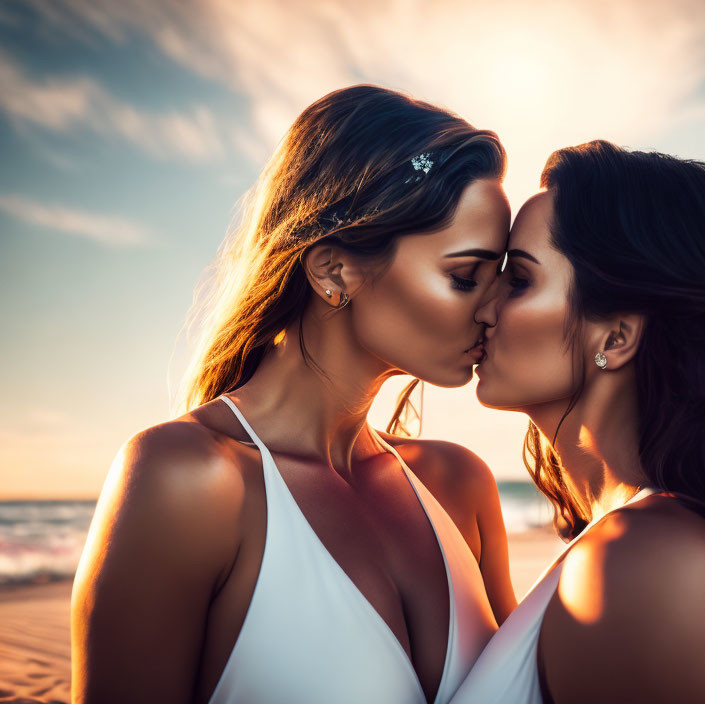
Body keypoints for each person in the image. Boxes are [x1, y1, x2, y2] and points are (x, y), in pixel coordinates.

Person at [71, 85, 517, 704]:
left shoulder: (458, 485)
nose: (496, 309)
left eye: (502, 280)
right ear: (334, 270)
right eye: (465, 277)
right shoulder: (189, 482)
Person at [452, 140, 705, 703]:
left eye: (520, 281)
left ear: (617, 337)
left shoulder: (640, 562)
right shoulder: (630, 540)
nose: (482, 308)